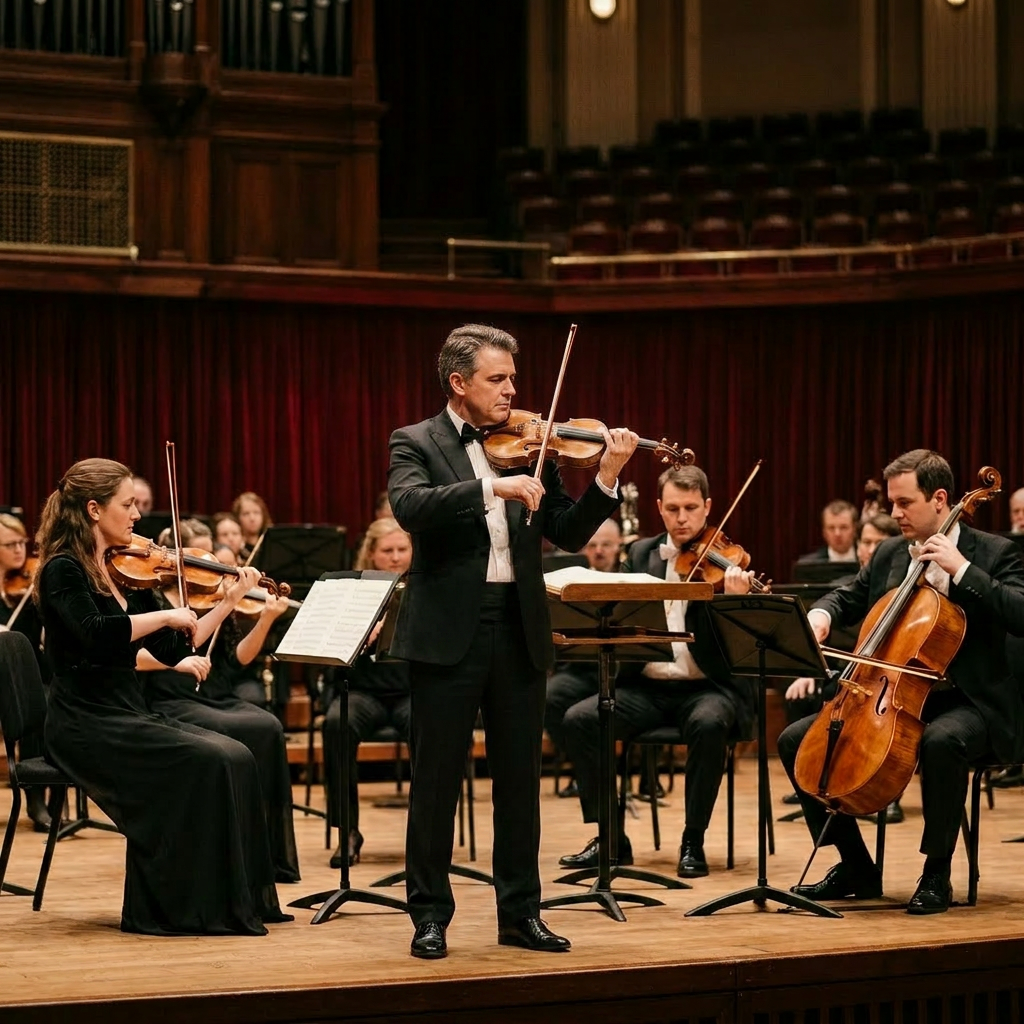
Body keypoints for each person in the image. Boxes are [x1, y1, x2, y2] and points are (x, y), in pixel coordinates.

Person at [388, 323, 638, 959]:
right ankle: (430, 916)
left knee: (520, 782)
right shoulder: (414, 441)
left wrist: (605, 478)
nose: (511, 391)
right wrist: (489, 488)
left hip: (519, 622)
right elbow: (410, 507)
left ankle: (520, 914)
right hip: (448, 629)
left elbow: (568, 530)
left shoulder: (530, 447)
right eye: (497, 380)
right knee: (437, 779)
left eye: (513, 380)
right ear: (459, 382)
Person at [36, 458, 291, 935]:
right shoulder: (63, 571)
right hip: (84, 722)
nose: (137, 515)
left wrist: (226, 602)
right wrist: (164, 617)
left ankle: (235, 901)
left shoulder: (127, 569)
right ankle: (177, 908)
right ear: (94, 510)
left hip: (127, 711)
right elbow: (96, 633)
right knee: (206, 761)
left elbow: (179, 645)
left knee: (236, 754)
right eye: (127, 504)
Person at [779, 449, 1024, 914]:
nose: (894, 514)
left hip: (971, 701)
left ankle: (936, 873)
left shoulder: (994, 552)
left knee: (942, 742)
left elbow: (1020, 612)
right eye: (892, 503)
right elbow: (847, 596)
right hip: (893, 695)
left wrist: (962, 571)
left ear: (939, 499)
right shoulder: (892, 553)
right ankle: (856, 867)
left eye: (904, 503)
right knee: (798, 741)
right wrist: (820, 615)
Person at [559, 466, 755, 880]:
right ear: (659, 509)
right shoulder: (642, 554)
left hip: (707, 688)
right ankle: (610, 838)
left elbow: (742, 648)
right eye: (672, 509)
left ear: (707, 508)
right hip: (646, 687)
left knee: (708, 723)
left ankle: (693, 839)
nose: (682, 518)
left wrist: (734, 603)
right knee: (580, 718)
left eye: (690, 508)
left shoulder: (729, 565)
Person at [782, 512, 903, 821]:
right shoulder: (855, 583)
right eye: (867, 542)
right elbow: (839, 602)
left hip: (895, 682)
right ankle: (820, 784)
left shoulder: (906, 581)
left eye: (879, 543)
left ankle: (883, 790)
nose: (872, 550)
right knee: (799, 711)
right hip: (853, 675)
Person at [323, 516, 412, 869]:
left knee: (431, 724)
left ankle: (427, 833)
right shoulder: (354, 590)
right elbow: (333, 651)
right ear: (371, 555)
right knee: (335, 724)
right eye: (386, 551)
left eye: (402, 550)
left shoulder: (425, 587)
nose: (395, 558)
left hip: (411, 691)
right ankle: (348, 831)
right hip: (364, 692)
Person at [544, 518, 622, 797]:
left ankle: (642, 775)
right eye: (592, 545)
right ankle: (582, 765)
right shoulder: (571, 580)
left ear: (619, 546)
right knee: (548, 697)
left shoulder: (632, 576)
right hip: (579, 668)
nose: (599, 551)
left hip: (620, 670)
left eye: (606, 545)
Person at [0, 512, 52, 831]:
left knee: (42, 698)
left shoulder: (26, 590)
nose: (21, 550)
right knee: (27, 699)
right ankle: (34, 797)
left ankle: (38, 797)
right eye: (10, 544)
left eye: (23, 542)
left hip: (24, 678)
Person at [232, 491, 273, 559]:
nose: (252, 518)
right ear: (238, 517)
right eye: (246, 514)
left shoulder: (271, 545)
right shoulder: (235, 547)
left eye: (256, 513)